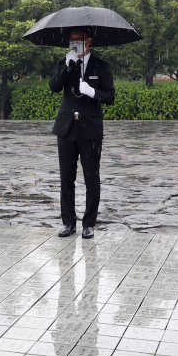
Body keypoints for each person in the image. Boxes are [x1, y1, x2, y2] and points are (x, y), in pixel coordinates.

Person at [49, 27, 115, 239]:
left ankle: (89, 223)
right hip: (66, 128)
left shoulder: (101, 66)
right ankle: (68, 222)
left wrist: (93, 92)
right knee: (66, 178)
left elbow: (110, 96)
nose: (74, 43)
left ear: (89, 41)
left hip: (90, 128)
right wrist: (66, 67)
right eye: (71, 40)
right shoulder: (64, 63)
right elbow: (53, 87)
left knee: (91, 177)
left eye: (78, 40)